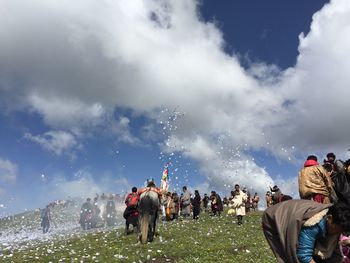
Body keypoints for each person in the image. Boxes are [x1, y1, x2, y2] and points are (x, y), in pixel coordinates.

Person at [263, 199, 350, 263]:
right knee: (288, 254)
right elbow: (304, 256)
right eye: (337, 230)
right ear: (329, 218)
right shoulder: (313, 225)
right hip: (276, 217)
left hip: (295, 211)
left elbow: (335, 252)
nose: (338, 234)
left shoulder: (336, 225)